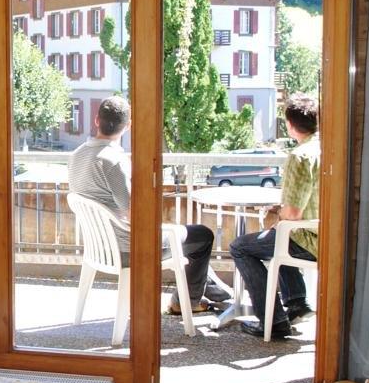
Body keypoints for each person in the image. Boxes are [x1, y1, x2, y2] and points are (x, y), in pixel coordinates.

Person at [68, 96, 228, 314]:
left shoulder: (76, 155)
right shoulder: (112, 161)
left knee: (186, 240)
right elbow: (134, 213)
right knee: (202, 235)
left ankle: (220, 294)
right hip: (127, 248)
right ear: (128, 126)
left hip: (99, 246)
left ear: (97, 120)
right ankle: (191, 301)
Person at [230, 94, 320, 338]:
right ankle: (297, 303)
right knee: (276, 235)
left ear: (289, 125)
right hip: (327, 235)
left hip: (309, 239)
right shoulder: (327, 149)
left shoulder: (301, 156)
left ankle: (273, 321)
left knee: (240, 247)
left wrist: (279, 212)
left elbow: (292, 213)